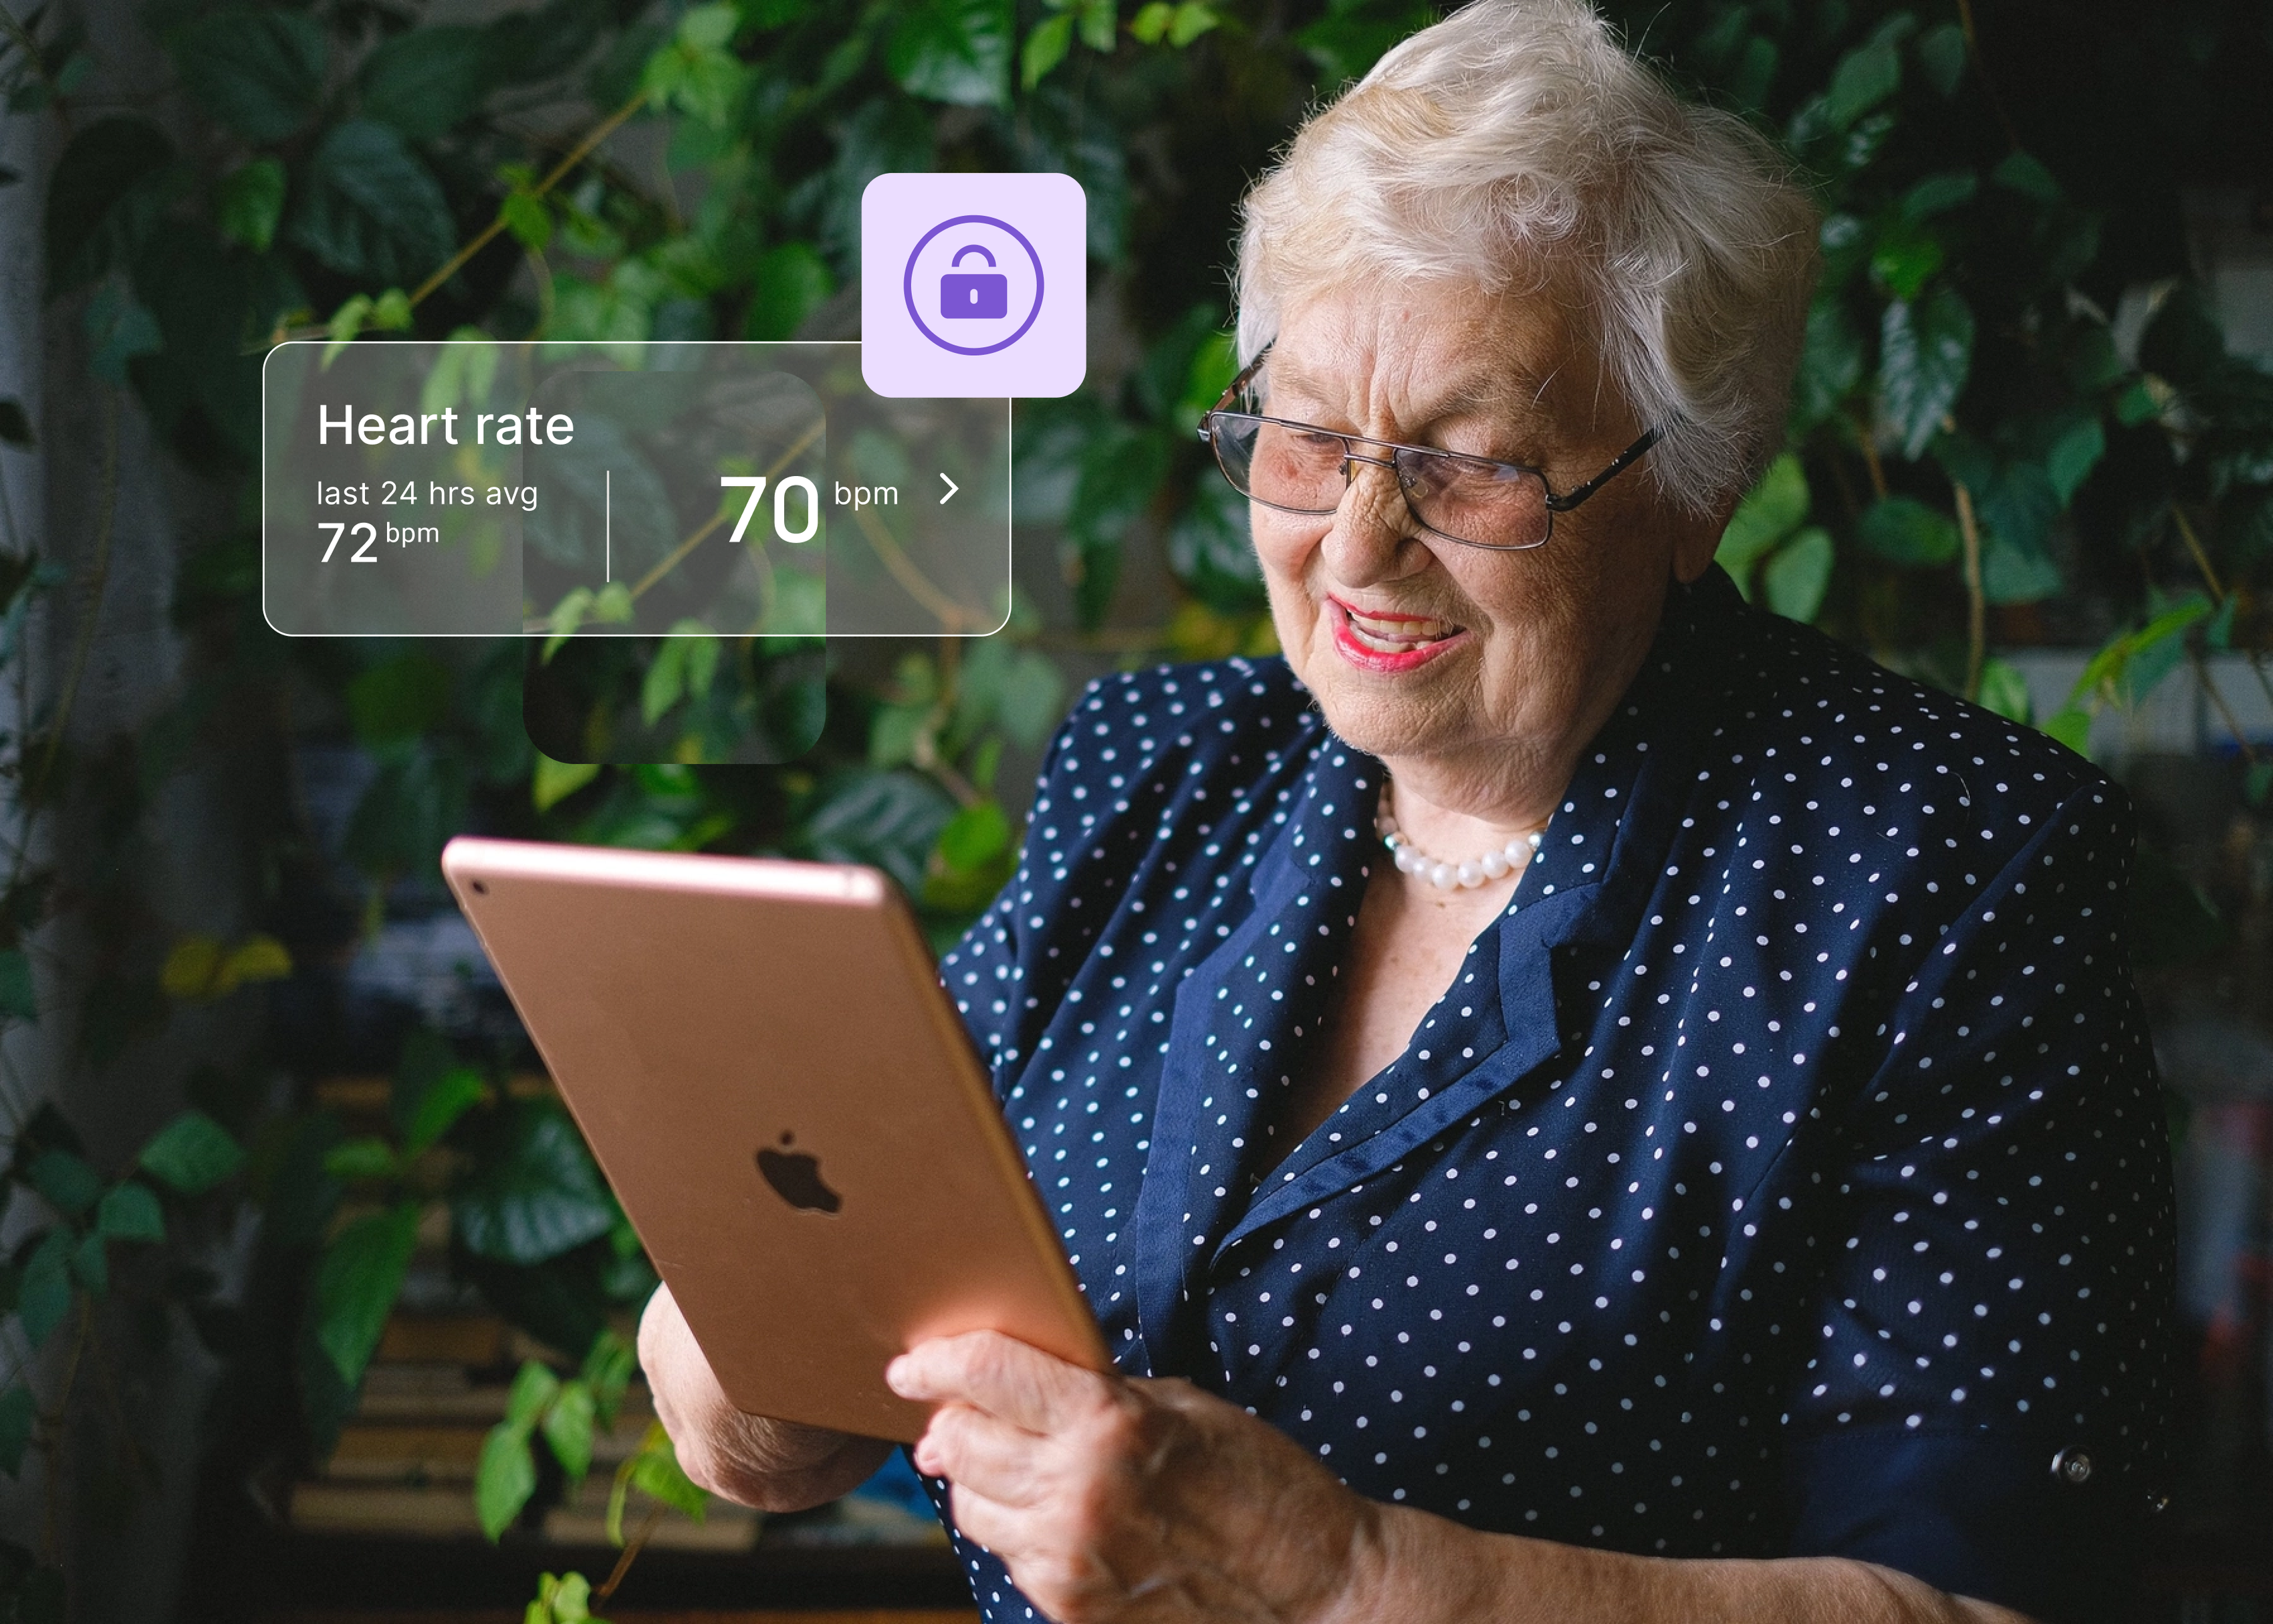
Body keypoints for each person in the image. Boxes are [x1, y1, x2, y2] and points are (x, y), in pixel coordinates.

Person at [638, 1, 2176, 1619]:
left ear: (1692, 490)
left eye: (1473, 462)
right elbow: (802, 1362)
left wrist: (1339, 1572)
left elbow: (1982, 1597)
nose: (1356, 542)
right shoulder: (1157, 768)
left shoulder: (1938, 869)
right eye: (1303, 437)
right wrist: (747, 1361)